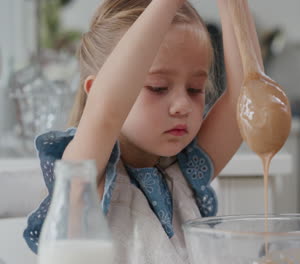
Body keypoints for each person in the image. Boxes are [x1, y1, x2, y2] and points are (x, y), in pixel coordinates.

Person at [23, 0, 263, 263]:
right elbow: (107, 110)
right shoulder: (86, 179)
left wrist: (233, 5)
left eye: (195, 89)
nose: (183, 105)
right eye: (158, 87)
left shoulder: (183, 174)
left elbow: (246, 95)